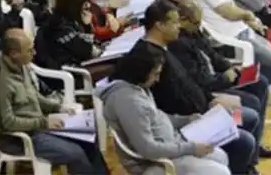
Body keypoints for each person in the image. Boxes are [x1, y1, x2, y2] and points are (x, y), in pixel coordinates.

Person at [113, 0, 261, 175]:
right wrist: (199, 116)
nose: (179, 26)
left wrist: (211, 100)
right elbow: (164, 104)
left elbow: (189, 84)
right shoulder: (147, 60)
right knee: (245, 140)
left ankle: (246, 167)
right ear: (159, 25)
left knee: (248, 116)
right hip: (181, 127)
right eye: (174, 22)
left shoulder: (164, 49)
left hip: (196, 114)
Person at [0, 28, 109, 175]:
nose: (34, 53)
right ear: (14, 54)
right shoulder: (0, 81)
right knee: (76, 154)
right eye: (29, 50)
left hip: (39, 128)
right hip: (19, 139)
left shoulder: (21, 66)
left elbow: (34, 96)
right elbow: (5, 123)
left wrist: (58, 107)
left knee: (89, 140)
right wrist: (43, 122)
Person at [97, 42, 231, 175]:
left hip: (171, 146)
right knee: (220, 172)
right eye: (155, 74)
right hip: (156, 162)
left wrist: (186, 120)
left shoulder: (139, 88)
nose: (158, 79)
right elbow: (148, 149)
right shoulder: (129, 103)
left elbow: (156, 117)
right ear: (141, 72)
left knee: (220, 156)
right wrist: (191, 148)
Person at [34, 0, 102, 70]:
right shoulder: (60, 28)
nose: (88, 13)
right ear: (74, 8)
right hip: (69, 73)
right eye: (85, 9)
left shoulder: (66, 20)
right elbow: (88, 51)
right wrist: (87, 26)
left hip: (77, 64)